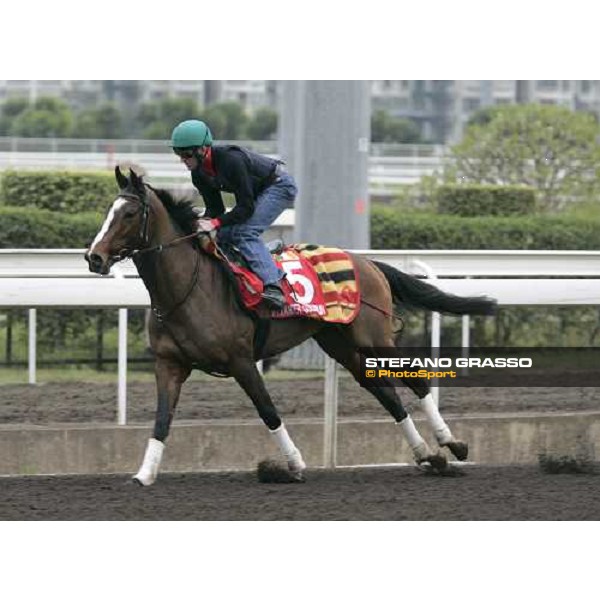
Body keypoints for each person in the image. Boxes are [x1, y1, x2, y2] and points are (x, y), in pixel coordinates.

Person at [170, 119, 297, 310]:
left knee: (244, 233)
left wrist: (214, 223)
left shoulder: (231, 161)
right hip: (257, 192)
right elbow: (216, 210)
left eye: (187, 154)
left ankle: (274, 287)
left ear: (204, 149)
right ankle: (266, 251)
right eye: (179, 154)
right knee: (220, 235)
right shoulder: (198, 174)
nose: (183, 160)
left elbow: (245, 208)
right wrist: (201, 222)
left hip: (279, 185)